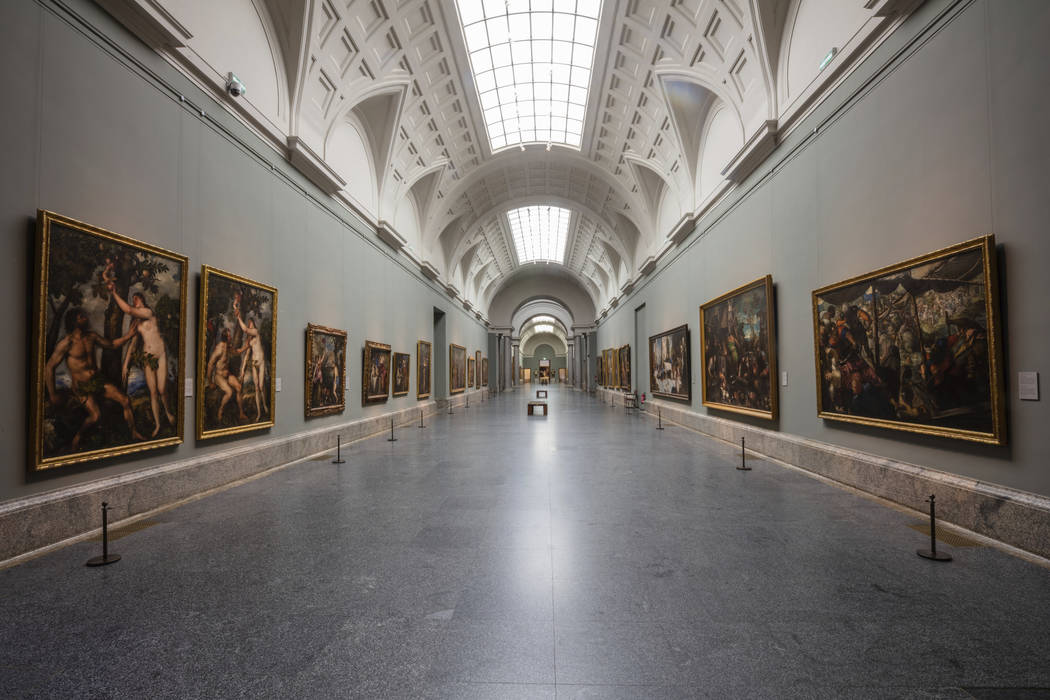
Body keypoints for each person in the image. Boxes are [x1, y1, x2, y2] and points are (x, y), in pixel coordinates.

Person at [45, 307, 142, 450]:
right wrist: (52, 394)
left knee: (125, 400)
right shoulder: (67, 343)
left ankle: (134, 433)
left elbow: (112, 344)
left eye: (84, 315)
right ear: (74, 321)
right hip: (82, 387)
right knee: (95, 416)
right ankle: (77, 437)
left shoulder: (91, 336)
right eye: (81, 316)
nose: (85, 318)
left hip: (97, 381)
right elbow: (49, 367)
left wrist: (128, 335)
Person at [109, 284, 176, 437]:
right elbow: (132, 345)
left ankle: (168, 413)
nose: (134, 301)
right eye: (133, 300)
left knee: (161, 389)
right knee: (153, 392)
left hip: (160, 354)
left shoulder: (148, 312)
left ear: (142, 300)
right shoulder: (136, 323)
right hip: (147, 358)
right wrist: (125, 365)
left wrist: (114, 292)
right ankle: (158, 425)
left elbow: (128, 310)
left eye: (136, 299)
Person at [205, 328, 248, 423]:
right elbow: (210, 364)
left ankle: (241, 413)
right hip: (219, 376)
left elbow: (236, 352)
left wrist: (246, 346)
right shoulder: (220, 348)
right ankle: (220, 411)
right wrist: (210, 381)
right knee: (229, 392)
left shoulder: (228, 346)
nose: (231, 337)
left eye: (230, 335)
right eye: (229, 336)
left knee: (239, 387)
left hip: (227, 375)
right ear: (225, 337)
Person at [236, 311, 269, 420]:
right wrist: (242, 370)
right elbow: (245, 355)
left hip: (261, 362)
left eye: (250, 324)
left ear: (253, 325)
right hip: (254, 364)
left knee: (260, 386)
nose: (249, 326)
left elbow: (245, 330)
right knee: (256, 388)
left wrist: (239, 317)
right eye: (248, 324)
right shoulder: (249, 341)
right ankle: (259, 413)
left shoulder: (256, 332)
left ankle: (264, 405)